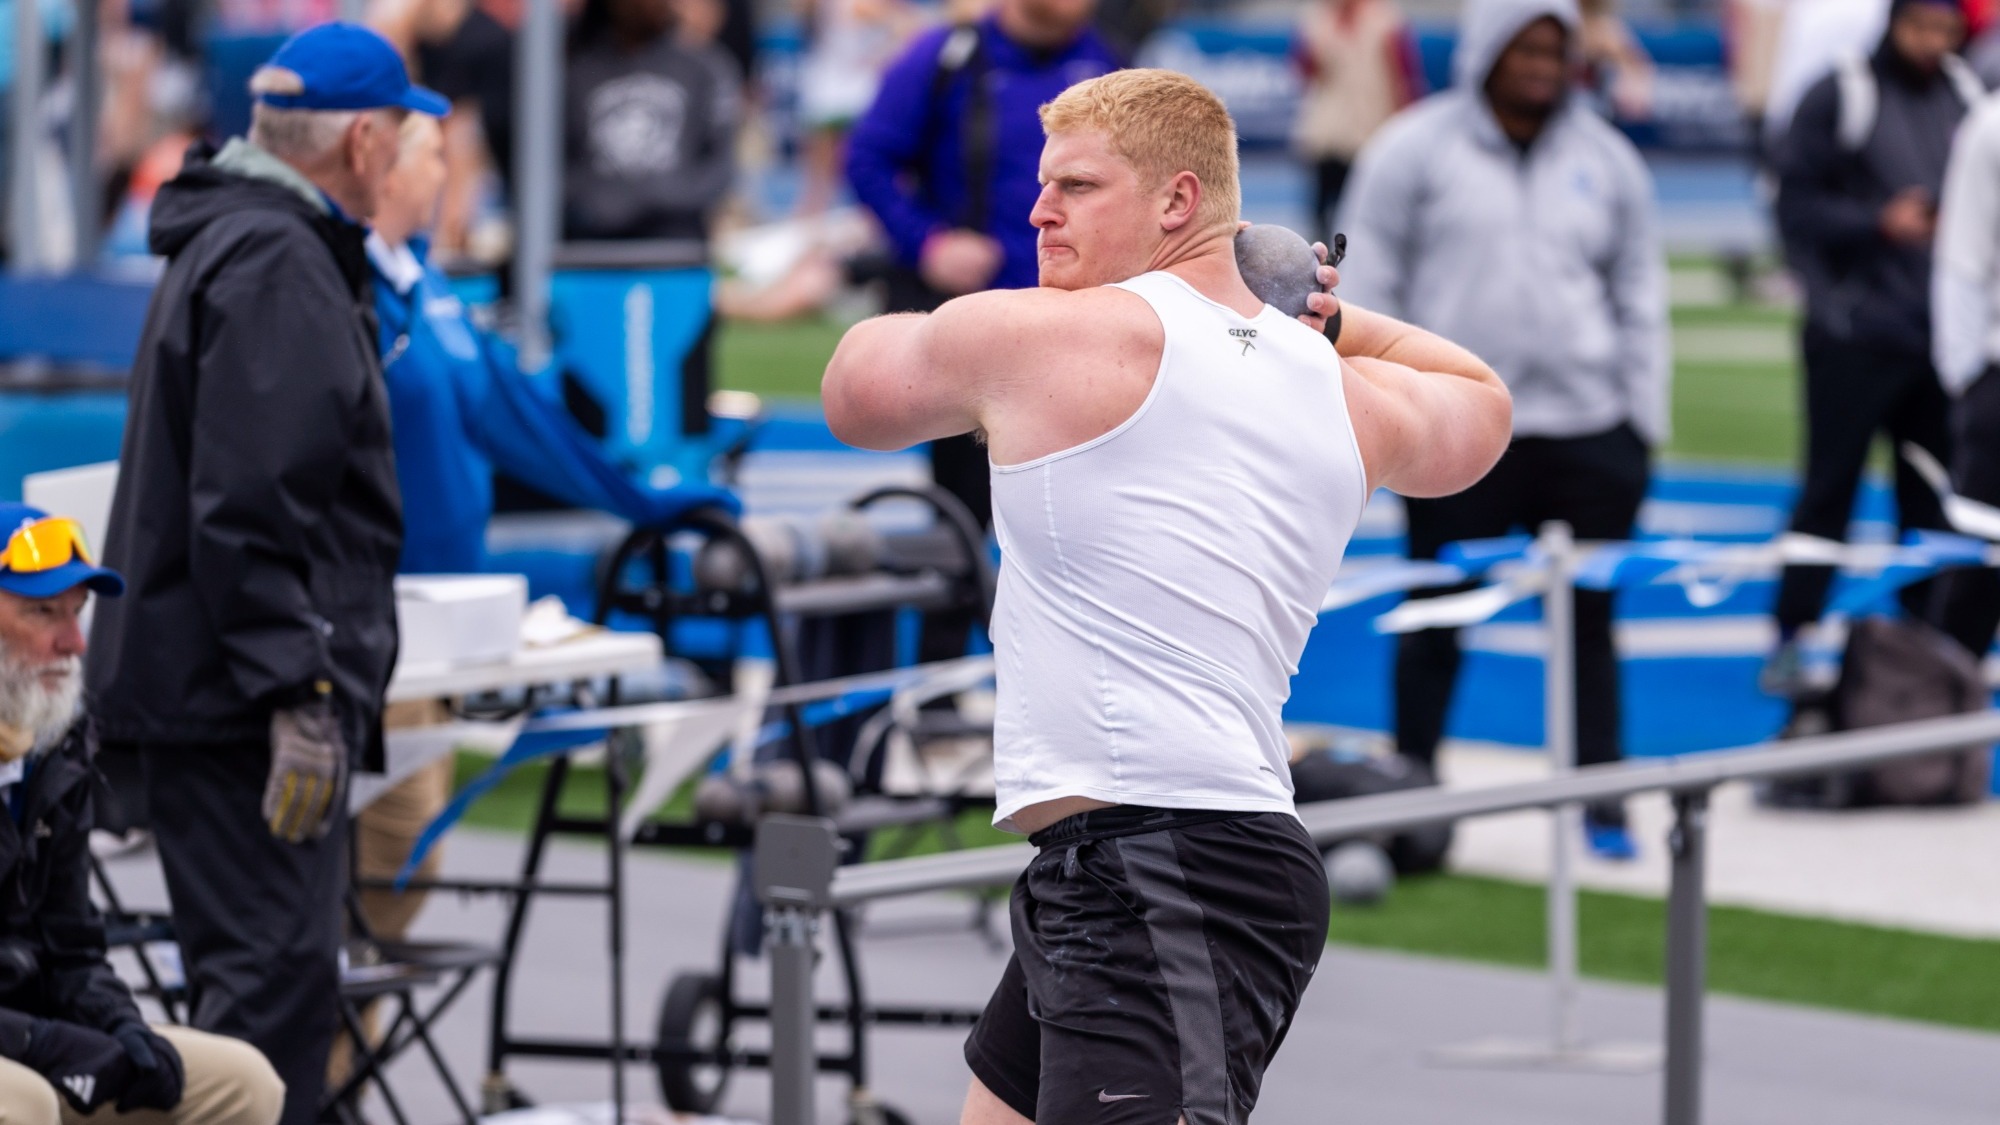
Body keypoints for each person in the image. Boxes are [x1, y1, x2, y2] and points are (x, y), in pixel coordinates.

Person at [821, 68, 1512, 1125]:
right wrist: (1323, 316)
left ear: (1176, 203)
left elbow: (854, 390)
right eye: (1043, 184)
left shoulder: (1048, 340)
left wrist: (960, 312)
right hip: (1136, 860)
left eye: (1077, 188)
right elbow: (1478, 404)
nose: (1036, 210)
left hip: (1168, 863)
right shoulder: (1335, 384)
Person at [83, 24, 446, 1125]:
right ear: (365, 142)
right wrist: (300, 689)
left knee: (276, 1001)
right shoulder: (277, 260)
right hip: (241, 709)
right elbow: (248, 512)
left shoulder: (247, 240)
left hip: (218, 692)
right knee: (267, 1015)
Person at [1338, 0, 1667, 861]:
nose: (1538, 63)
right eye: (1522, 45)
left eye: (1552, 47)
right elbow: (1370, 286)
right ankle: (1408, 798)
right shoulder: (1414, 148)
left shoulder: (1608, 158)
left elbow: (1639, 289)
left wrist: (1642, 420)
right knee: (1436, 613)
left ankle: (1601, 796)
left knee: (1591, 621)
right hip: (1458, 423)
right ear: (1486, 48)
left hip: (1589, 424)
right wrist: (1395, 406)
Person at [0, 504, 285, 1125]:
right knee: (24, 1104)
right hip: (17, 1051)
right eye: (41, 612)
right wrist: (38, 1042)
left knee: (242, 1082)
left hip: (25, 1035)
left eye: (77, 614)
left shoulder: (55, 745)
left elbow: (72, 946)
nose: (74, 644)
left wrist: (121, 1027)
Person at [843, 0, 1119, 538]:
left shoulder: (1110, 63)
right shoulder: (947, 56)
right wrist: (929, 243)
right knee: (963, 520)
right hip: (977, 328)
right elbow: (868, 158)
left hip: (1079, 325)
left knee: (1077, 520)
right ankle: (953, 615)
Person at [1765, 0, 1981, 690]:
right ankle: (1793, 633)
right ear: (1893, 21)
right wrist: (1877, 225)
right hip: (1853, 337)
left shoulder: (1965, 94)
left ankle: (1921, 652)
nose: (1932, 42)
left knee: (1933, 506)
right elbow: (1792, 205)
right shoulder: (1841, 92)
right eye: (1921, 25)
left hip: (1934, 341)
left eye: (1946, 29)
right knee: (1828, 492)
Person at [563, 0, 741, 244]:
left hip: (675, 249)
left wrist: (657, 197)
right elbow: (550, 169)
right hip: (591, 251)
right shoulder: (576, 71)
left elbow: (721, 168)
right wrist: (598, 203)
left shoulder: (705, 68)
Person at [1928, 83, 2000, 657]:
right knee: (1973, 577)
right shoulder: (1991, 126)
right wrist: (1966, 378)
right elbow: (1961, 258)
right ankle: (1940, 730)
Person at [1289, 0, 1423, 247]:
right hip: (1328, 130)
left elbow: (1403, 76)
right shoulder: (1317, 20)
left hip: (1370, 127)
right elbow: (1304, 70)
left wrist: (1405, 125)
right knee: (1321, 207)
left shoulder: (1386, 20)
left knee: (1363, 208)